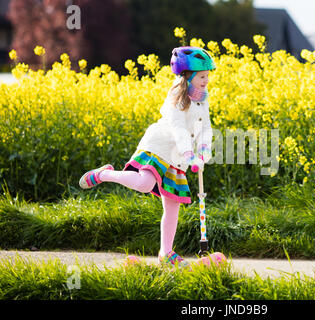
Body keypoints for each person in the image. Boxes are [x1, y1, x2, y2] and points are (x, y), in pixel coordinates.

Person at [79, 46, 214, 268]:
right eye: (201, 76)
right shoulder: (177, 95)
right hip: (159, 145)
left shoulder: (202, 98)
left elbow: (205, 128)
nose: (206, 80)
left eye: (207, 76)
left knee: (172, 206)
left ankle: (166, 252)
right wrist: (190, 154)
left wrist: (203, 153)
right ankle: (104, 174)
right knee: (144, 183)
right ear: (188, 76)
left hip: (177, 156)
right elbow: (178, 127)